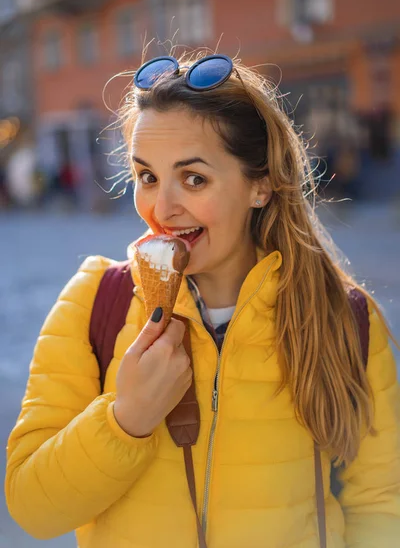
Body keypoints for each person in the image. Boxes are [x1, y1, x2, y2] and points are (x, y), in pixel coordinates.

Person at [5, 51, 400, 548]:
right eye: (147, 176)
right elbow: (33, 509)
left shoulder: (344, 319)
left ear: (259, 186)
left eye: (194, 179)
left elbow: (380, 506)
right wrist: (126, 420)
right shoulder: (94, 303)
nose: (162, 208)